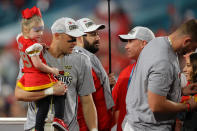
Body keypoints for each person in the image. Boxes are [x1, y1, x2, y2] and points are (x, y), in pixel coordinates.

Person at [15, 17, 98, 131]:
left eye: (76, 38)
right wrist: (51, 91)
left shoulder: (82, 60)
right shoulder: (32, 57)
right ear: (57, 35)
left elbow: (87, 101)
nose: (75, 42)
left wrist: (94, 130)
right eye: (71, 38)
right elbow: (19, 94)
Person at [123, 19, 197, 131]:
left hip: (136, 123)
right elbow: (156, 105)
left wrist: (181, 91)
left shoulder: (157, 42)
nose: (192, 50)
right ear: (187, 41)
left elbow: (149, 89)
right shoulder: (164, 60)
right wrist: (187, 106)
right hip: (146, 128)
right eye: (193, 47)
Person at [16, 6, 67, 131]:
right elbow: (38, 64)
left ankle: (40, 128)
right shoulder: (34, 46)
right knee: (61, 91)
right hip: (37, 77)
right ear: (27, 30)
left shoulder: (21, 39)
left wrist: (38, 45)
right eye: (37, 30)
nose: (41, 33)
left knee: (43, 105)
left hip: (28, 77)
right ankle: (59, 119)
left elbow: (21, 38)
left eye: (42, 30)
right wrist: (52, 70)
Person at [112, 26, 155, 131]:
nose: (126, 46)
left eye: (130, 41)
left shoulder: (160, 71)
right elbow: (113, 105)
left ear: (143, 44)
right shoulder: (125, 72)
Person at [75, 18, 115, 131]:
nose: (98, 37)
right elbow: (81, 106)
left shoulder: (89, 58)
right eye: (92, 34)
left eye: (97, 34)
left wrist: (105, 84)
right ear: (79, 37)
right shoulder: (80, 62)